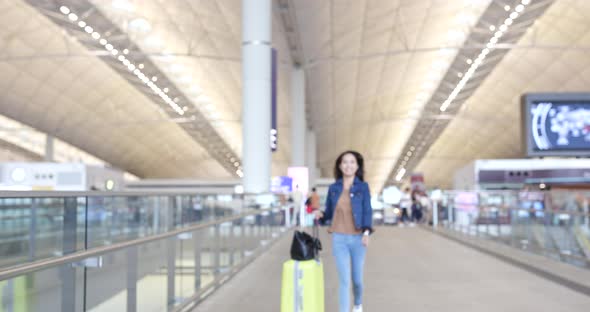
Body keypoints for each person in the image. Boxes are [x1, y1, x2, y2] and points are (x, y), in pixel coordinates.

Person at [314, 150, 373, 312]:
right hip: (339, 238)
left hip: (358, 238)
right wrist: (322, 215)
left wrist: (367, 233)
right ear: (340, 166)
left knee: (357, 280)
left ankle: (358, 303)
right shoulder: (334, 188)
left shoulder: (363, 187)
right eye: (345, 162)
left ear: (357, 166)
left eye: (352, 162)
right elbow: (329, 211)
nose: (348, 165)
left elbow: (367, 210)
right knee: (344, 280)